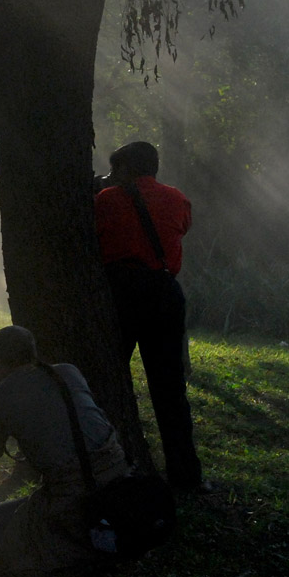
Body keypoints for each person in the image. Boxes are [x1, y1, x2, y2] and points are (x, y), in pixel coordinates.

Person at [0, 326, 129, 577]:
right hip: (121, 485)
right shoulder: (68, 372)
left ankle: (68, 560)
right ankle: (92, 546)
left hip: (71, 495)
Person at [94, 140, 207, 493]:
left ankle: (105, 460)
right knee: (170, 389)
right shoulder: (178, 199)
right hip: (164, 291)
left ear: (125, 170)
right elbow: (180, 227)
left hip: (122, 292)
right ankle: (186, 476)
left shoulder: (105, 200)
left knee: (107, 378)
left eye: (116, 171)